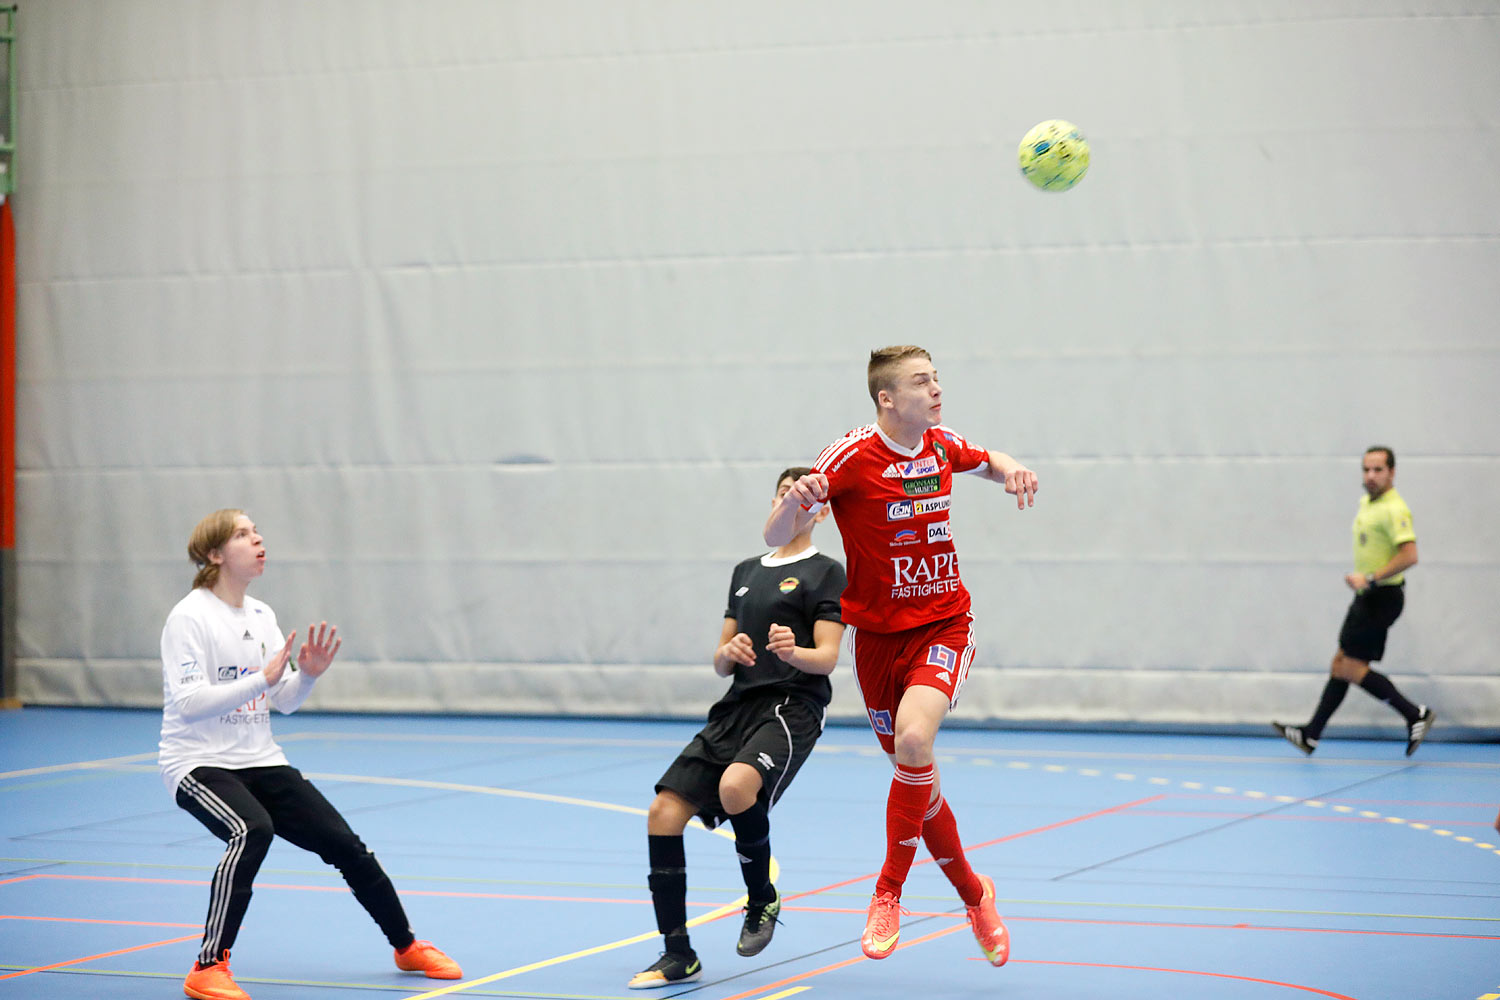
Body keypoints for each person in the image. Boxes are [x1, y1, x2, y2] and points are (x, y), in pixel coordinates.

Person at [764, 345, 1036, 967]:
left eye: (937, 377)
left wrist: (1012, 466)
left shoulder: (940, 443)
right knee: (918, 776)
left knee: (914, 744)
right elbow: (776, 537)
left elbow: (986, 461)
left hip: (944, 624)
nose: (936, 388)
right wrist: (794, 503)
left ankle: (888, 890)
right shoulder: (852, 455)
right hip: (877, 641)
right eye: (922, 381)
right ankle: (974, 893)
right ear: (887, 398)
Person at [159, 509, 462, 1000]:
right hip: (198, 763)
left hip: (262, 759)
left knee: (346, 846)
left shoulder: (261, 615)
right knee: (250, 829)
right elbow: (190, 705)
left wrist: (310, 675)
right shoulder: (188, 618)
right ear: (215, 555)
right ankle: (208, 965)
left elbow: (284, 701)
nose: (258, 540)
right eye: (243, 535)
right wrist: (263, 678)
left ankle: (406, 947)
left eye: (257, 531)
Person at [628, 469, 846, 989]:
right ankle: (677, 952)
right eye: (783, 495)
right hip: (736, 707)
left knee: (736, 787)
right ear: (775, 505)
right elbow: (722, 659)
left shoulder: (826, 573)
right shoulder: (746, 570)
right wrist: (727, 653)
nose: (793, 505)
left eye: (806, 498)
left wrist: (795, 653)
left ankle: (761, 898)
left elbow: (829, 658)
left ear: (822, 511)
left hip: (791, 706)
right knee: (662, 812)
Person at [1274, 447, 1435, 756]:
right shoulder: (1367, 503)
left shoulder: (1395, 509)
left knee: (1349, 667)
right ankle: (1311, 735)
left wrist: (1371, 578)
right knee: (1340, 663)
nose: (1370, 476)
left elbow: (1409, 555)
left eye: (1378, 470)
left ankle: (1415, 714)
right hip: (1367, 596)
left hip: (1381, 596)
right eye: (1366, 470)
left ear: (1392, 472)